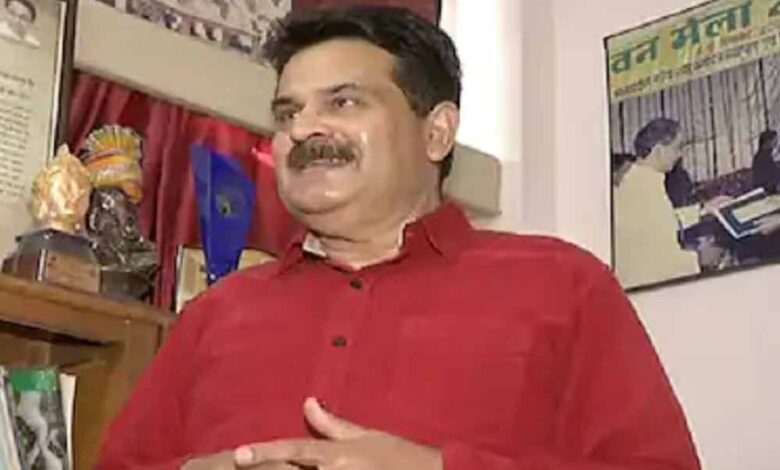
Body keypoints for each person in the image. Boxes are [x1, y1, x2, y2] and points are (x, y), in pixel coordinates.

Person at [96, 6, 700, 470]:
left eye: (343, 101)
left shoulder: (564, 286)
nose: (303, 128)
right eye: (287, 112)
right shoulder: (214, 313)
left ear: (436, 133)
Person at [614, 117, 703, 288]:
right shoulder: (644, 188)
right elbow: (661, 262)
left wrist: (702, 211)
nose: (679, 155)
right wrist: (699, 258)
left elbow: (659, 220)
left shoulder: (636, 178)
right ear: (659, 150)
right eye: (677, 148)